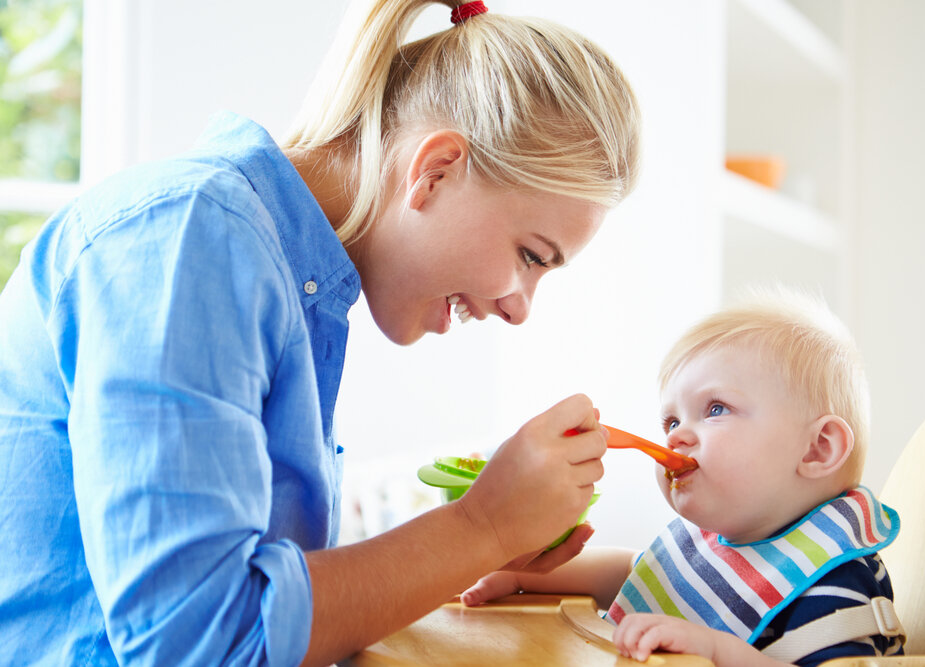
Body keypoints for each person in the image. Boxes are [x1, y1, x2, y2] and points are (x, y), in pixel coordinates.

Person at [0, 1, 640, 664]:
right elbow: (203, 645)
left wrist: (479, 541)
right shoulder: (189, 239)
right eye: (532, 255)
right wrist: (477, 529)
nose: (520, 308)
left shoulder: (279, 274)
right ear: (437, 170)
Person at [461, 289, 906, 666]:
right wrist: (526, 578)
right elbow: (636, 572)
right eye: (670, 422)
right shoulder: (718, 539)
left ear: (817, 448)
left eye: (715, 410)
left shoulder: (830, 578)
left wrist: (715, 652)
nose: (677, 438)